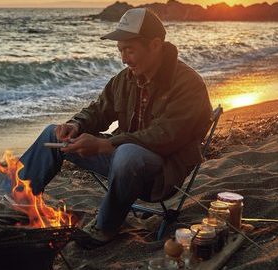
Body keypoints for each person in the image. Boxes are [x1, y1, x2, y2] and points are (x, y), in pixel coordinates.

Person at [18, 8, 213, 246]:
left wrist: (106, 144)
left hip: (162, 173)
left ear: (155, 45)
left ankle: (105, 227)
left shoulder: (187, 83)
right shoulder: (125, 78)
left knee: (127, 153)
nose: (123, 58)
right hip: (120, 161)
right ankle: (19, 202)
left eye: (129, 49)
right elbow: (99, 109)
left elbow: (166, 136)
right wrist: (75, 125)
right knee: (53, 133)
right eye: (120, 50)